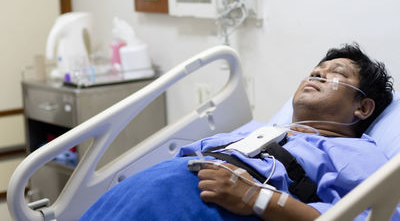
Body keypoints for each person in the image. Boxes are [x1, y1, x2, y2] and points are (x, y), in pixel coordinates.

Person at [80, 43, 396, 221]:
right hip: (139, 197)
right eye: (317, 70)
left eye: (336, 73)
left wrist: (257, 198)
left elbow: (371, 218)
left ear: (363, 108)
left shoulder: (356, 153)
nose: (318, 73)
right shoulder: (260, 130)